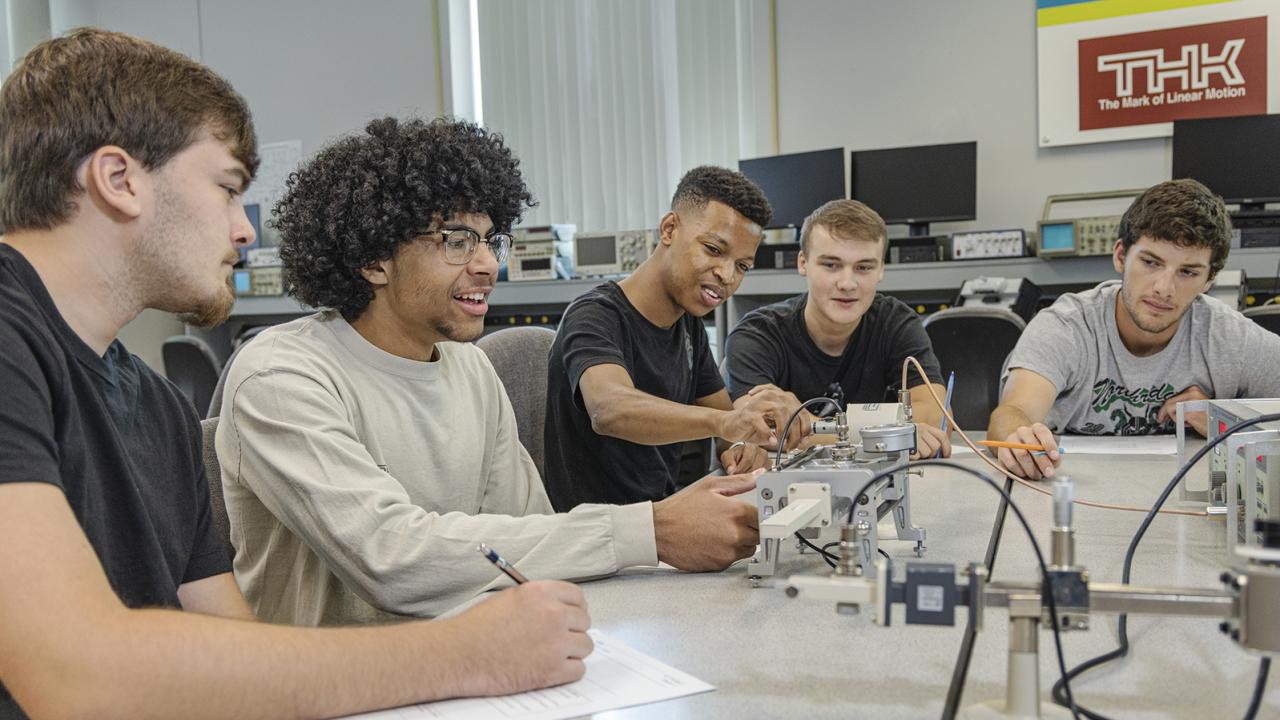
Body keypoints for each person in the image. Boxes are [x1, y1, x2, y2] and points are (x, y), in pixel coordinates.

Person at [0, 29, 591, 720]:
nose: (244, 231)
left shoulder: (156, 407)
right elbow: (74, 675)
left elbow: (231, 653)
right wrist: (467, 654)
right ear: (119, 180)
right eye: (226, 189)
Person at [217, 118, 762, 627]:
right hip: (332, 691)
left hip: (469, 658)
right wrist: (653, 531)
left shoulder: (470, 367)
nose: (488, 264)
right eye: (458, 241)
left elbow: (528, 533)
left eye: (490, 240)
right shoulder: (281, 378)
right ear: (374, 259)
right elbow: (390, 558)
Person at [543, 166, 804, 510]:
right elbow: (610, 410)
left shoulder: (688, 325)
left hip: (659, 521)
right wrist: (725, 423)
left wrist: (748, 439)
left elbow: (727, 426)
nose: (726, 275)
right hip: (598, 535)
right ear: (669, 229)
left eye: (742, 266)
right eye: (713, 249)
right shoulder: (595, 315)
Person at [989, 179, 1280, 480]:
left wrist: (1224, 420)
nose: (1164, 289)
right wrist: (1017, 439)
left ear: (1210, 280)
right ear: (1120, 256)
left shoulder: (1228, 337)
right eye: (1151, 263)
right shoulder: (1067, 326)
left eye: (1188, 272)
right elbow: (1011, 414)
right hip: (1069, 495)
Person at [724, 199, 951, 458]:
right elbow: (763, 429)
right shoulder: (758, 334)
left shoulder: (896, 323)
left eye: (863, 267)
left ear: (881, 270)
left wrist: (806, 423)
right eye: (831, 265)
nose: (847, 283)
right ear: (803, 263)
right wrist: (892, 432)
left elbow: (936, 418)